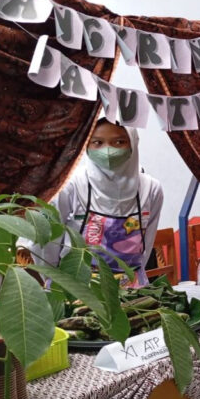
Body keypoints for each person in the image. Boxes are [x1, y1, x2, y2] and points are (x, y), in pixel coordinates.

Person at [32, 117, 164, 285]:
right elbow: (46, 242)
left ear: (133, 144)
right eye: (98, 142)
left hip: (130, 287)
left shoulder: (150, 189)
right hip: (77, 286)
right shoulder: (69, 186)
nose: (108, 150)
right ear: (86, 145)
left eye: (119, 142)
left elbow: (146, 243)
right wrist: (55, 281)